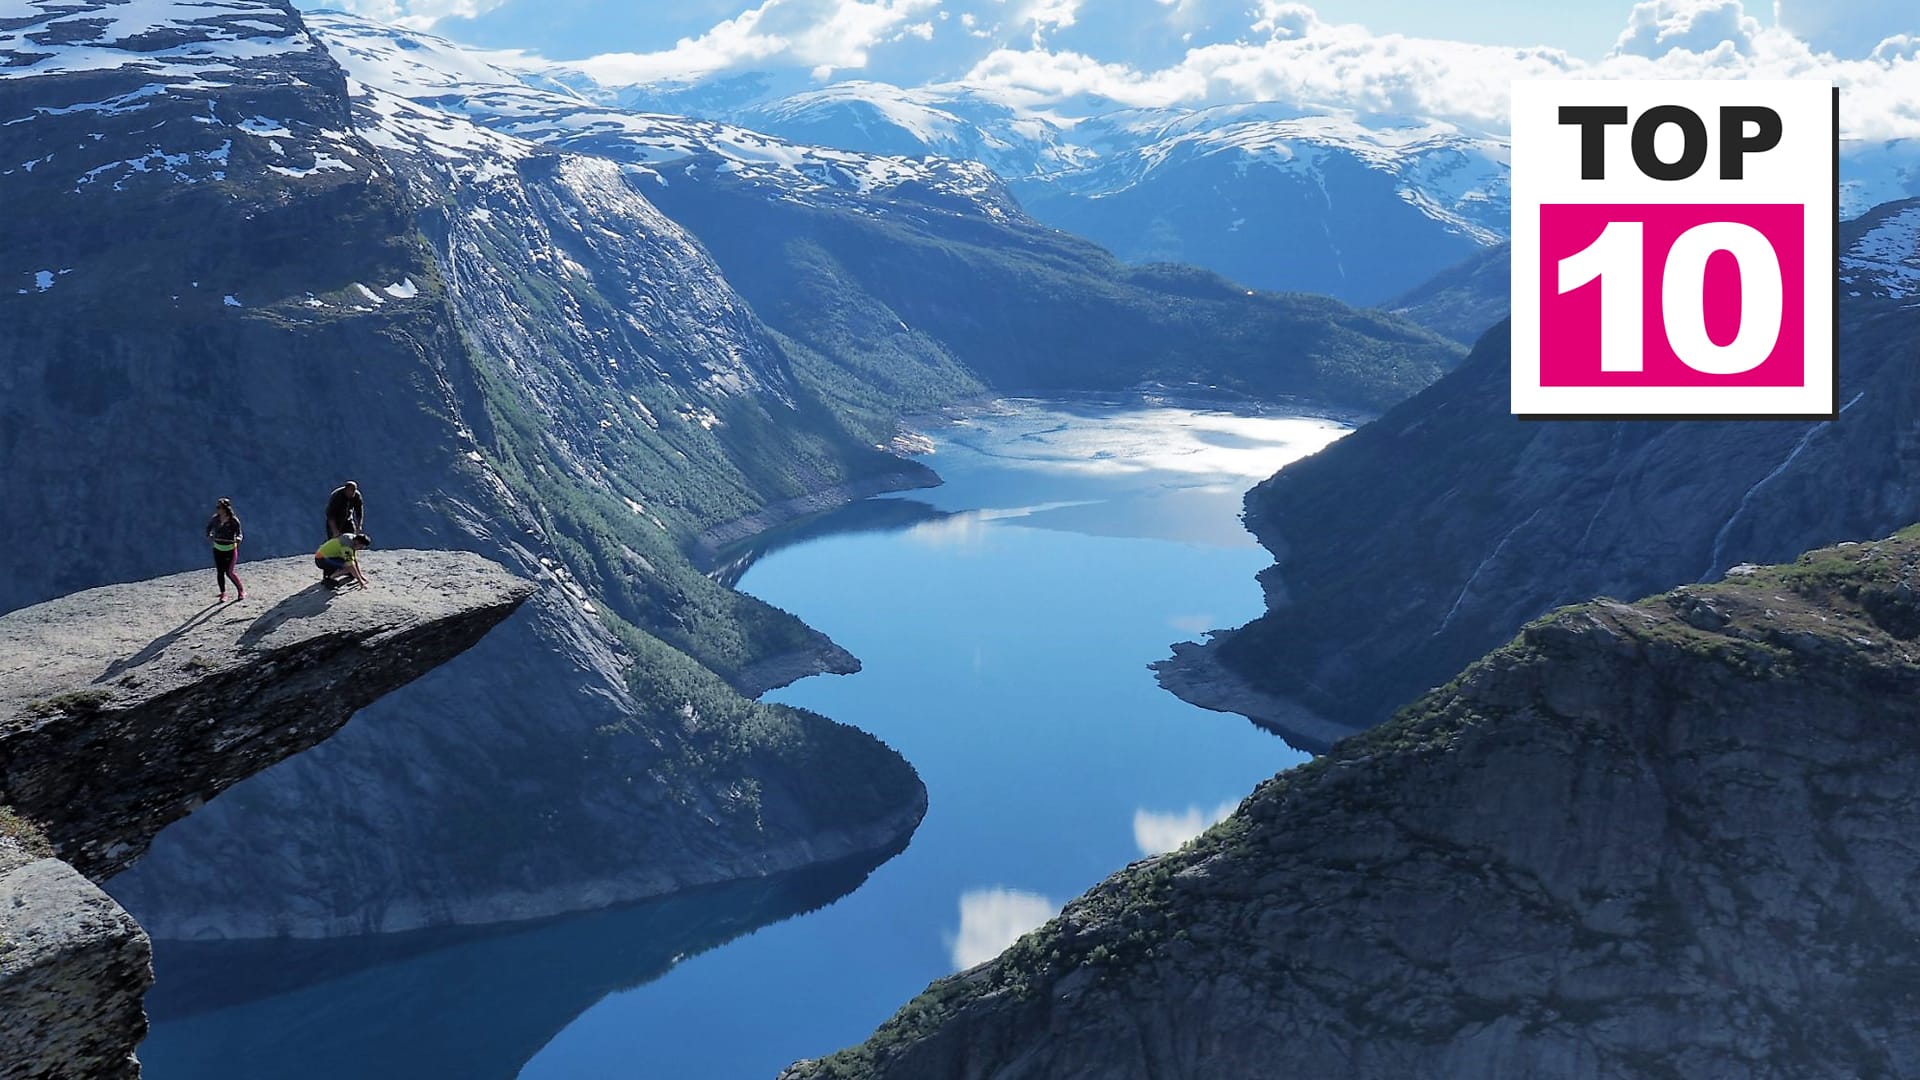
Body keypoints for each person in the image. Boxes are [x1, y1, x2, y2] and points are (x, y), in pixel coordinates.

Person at [206, 497, 245, 602]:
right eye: (217, 507)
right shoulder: (215, 519)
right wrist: (209, 535)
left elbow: (239, 533)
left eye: (219, 507)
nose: (217, 509)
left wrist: (238, 539)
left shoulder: (233, 520)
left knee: (230, 572)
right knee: (220, 572)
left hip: (230, 549)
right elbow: (208, 528)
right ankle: (223, 593)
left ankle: (241, 590)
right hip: (218, 548)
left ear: (225, 508)